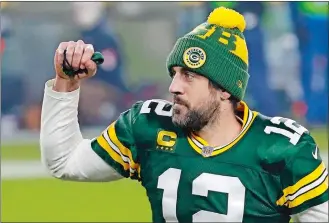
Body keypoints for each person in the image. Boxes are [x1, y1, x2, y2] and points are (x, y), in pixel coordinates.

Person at [40, 7, 328, 222]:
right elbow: (65, 162)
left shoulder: (284, 149)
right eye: (174, 74)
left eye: (189, 76)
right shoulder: (147, 126)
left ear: (225, 89)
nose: (174, 87)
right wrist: (65, 84)